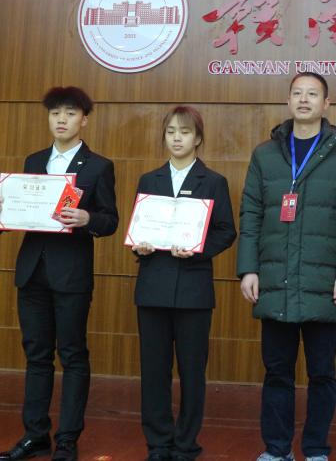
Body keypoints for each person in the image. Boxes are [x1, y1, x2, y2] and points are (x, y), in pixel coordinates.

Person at [236, 72, 336, 461]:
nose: (304, 99)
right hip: (274, 279)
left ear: (326, 103)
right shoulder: (265, 154)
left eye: (313, 94)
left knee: (322, 373)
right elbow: (251, 214)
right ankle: (277, 449)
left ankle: (315, 449)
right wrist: (249, 269)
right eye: (297, 93)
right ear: (288, 100)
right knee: (277, 371)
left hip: (324, 281)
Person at [0, 86, 119, 461]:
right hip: (32, 271)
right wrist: (1, 211)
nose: (61, 119)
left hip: (71, 274)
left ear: (84, 120)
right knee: (36, 355)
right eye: (55, 113)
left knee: (73, 354)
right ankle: (35, 435)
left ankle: (67, 439)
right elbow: (23, 210)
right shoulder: (33, 160)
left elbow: (110, 220)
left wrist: (87, 217)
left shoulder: (98, 166)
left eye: (70, 113)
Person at [131, 105, 237, 461]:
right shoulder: (149, 180)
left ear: (198, 139)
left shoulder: (214, 181)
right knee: (154, 371)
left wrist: (197, 249)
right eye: (171, 132)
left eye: (185, 132)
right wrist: (140, 245)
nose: (177, 138)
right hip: (153, 287)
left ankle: (186, 443)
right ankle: (158, 442)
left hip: (193, 290)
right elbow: (140, 228)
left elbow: (226, 231)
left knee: (192, 371)